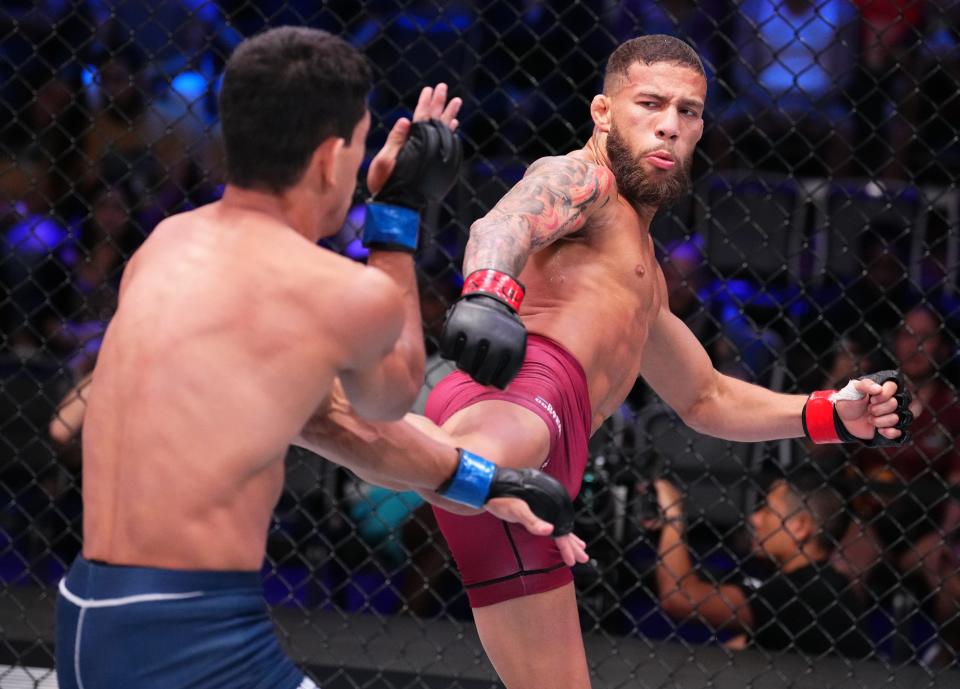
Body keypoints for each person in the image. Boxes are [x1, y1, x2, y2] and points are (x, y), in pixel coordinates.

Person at [54, 26, 585, 689]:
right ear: (334, 158)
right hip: (192, 638)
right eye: (361, 144)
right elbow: (389, 396)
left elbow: (334, 421)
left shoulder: (164, 246)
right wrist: (396, 216)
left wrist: (483, 480)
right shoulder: (330, 289)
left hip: (91, 614)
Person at [419, 35, 915, 688]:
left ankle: (386, 435)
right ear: (602, 111)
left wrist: (828, 415)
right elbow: (504, 222)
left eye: (688, 111)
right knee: (452, 461)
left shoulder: (644, 272)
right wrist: (488, 292)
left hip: (550, 460)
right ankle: (362, 426)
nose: (669, 124)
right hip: (522, 396)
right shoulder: (585, 179)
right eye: (649, 103)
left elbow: (704, 396)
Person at [654, 469, 871, 658]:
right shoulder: (818, 585)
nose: (755, 518)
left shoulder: (810, 592)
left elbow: (680, 599)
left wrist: (674, 517)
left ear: (799, 527)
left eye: (767, 510)